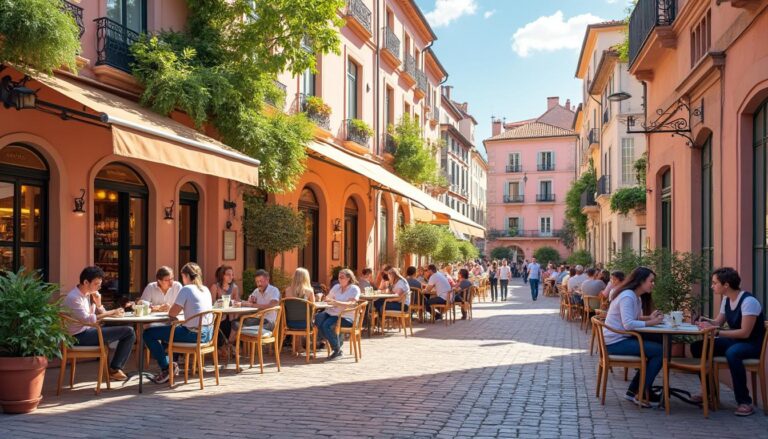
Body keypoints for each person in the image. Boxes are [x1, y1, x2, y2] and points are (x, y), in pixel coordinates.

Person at [692, 267, 766, 416]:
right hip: (734, 341)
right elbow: (718, 322)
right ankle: (708, 393)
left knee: (733, 353)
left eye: (714, 283)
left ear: (726, 285)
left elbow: (745, 333)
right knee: (697, 347)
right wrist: (704, 322)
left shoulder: (748, 302)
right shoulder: (727, 299)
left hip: (751, 345)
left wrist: (717, 332)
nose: (712, 286)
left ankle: (744, 402)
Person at [603, 267, 665, 407]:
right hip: (615, 343)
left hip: (622, 338)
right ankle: (642, 392)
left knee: (660, 342)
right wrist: (651, 322)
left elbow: (633, 318)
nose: (653, 284)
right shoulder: (628, 296)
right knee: (660, 351)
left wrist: (649, 317)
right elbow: (628, 324)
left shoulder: (634, 296)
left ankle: (633, 391)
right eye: (651, 281)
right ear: (641, 281)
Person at [144, 262, 213, 384]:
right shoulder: (205, 289)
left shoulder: (186, 289)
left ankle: (166, 367)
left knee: (148, 334)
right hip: (208, 334)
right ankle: (170, 363)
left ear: (186, 276)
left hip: (193, 334)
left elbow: (172, 313)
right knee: (168, 333)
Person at [63, 266, 136, 381]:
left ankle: (114, 368)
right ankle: (115, 369)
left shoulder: (88, 295)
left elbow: (102, 315)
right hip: (77, 337)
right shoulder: (74, 297)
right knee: (129, 332)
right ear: (86, 282)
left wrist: (99, 304)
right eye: (96, 284)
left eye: (100, 284)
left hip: (89, 330)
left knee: (127, 327)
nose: (99, 287)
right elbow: (88, 319)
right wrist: (112, 312)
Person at [315, 268, 361, 360]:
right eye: (339, 277)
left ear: (349, 278)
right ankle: (334, 341)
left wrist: (336, 302)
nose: (339, 279)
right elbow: (328, 298)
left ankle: (337, 349)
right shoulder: (336, 287)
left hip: (346, 316)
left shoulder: (354, 289)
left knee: (326, 325)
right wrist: (325, 298)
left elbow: (352, 303)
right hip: (332, 313)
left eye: (342, 277)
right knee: (318, 318)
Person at [209, 265, 240, 352]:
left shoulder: (234, 287)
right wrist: (222, 303)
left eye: (232, 275)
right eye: (228, 274)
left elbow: (236, 302)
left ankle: (227, 346)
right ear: (222, 275)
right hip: (218, 317)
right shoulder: (215, 287)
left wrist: (234, 303)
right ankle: (224, 347)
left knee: (237, 324)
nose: (231, 277)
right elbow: (211, 303)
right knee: (223, 324)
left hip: (230, 316)